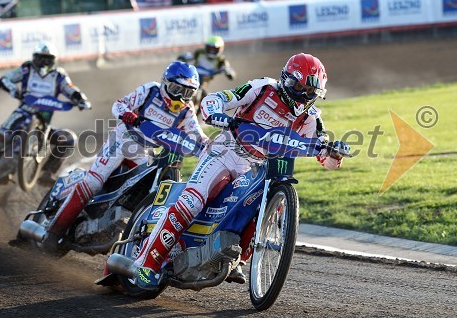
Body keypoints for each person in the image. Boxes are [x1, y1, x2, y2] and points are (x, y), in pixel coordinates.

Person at [132, 53, 351, 289]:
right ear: (286, 79)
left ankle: (235, 258)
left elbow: (323, 156)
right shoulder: (262, 87)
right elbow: (217, 100)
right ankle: (146, 264)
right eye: (298, 86)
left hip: (255, 168)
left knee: (262, 207)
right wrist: (217, 115)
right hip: (226, 150)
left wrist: (334, 155)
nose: (302, 94)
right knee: (192, 201)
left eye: (309, 91)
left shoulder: (311, 119)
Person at [42, 60, 209, 248]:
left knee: (141, 189)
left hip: (145, 152)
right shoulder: (150, 90)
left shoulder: (187, 111)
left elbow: (198, 135)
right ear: (166, 83)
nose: (181, 97)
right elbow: (119, 105)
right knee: (93, 182)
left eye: (188, 92)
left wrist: (210, 147)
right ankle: (53, 232)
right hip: (122, 139)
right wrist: (128, 115)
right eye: (177, 89)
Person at [0, 41, 91, 184]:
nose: (43, 63)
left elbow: (70, 88)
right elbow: (5, 78)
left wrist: (81, 100)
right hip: (21, 114)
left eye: (48, 59)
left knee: (68, 139)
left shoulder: (59, 75)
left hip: (43, 124)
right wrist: (14, 91)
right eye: (40, 58)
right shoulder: (27, 69)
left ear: (54, 60)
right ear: (34, 58)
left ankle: (47, 173)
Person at [178, 35, 236, 113]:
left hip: (204, 83)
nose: (211, 51)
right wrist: (185, 57)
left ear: (220, 49)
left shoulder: (221, 60)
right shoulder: (200, 52)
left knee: (208, 99)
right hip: (192, 77)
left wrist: (228, 72)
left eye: (214, 49)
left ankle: (199, 115)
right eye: (210, 48)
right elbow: (190, 56)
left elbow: (229, 69)